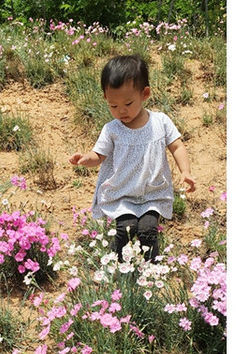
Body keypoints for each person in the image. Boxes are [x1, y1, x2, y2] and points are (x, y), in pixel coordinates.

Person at [69, 55, 196, 262]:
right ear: (105, 98)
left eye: (128, 103)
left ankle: (152, 268)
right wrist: (85, 158)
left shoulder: (160, 122)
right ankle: (116, 265)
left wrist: (186, 172)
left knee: (147, 230)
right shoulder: (112, 129)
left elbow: (177, 145)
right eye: (113, 106)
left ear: (144, 94)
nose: (121, 111)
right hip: (123, 193)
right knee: (126, 229)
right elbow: (98, 155)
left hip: (152, 193)